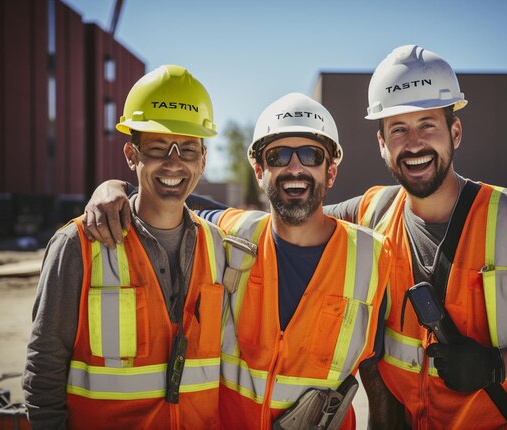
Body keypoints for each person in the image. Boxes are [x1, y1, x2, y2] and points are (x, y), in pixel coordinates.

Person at [323, 44, 507, 429]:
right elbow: (293, 224)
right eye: (398, 129)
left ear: (454, 132)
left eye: (428, 125)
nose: (414, 143)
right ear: (382, 145)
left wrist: (496, 365)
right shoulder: (370, 214)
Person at [82, 92, 392, 429]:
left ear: (330, 172)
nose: (294, 168)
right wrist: (114, 188)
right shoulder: (231, 233)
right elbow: (169, 195)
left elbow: (379, 375)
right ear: (259, 170)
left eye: (310, 155)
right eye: (277, 156)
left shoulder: (373, 258)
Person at [22, 65, 228, 429]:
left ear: (203, 159)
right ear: (132, 155)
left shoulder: (219, 244)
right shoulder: (78, 245)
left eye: (188, 149)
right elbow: (45, 366)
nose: (174, 163)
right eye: (159, 148)